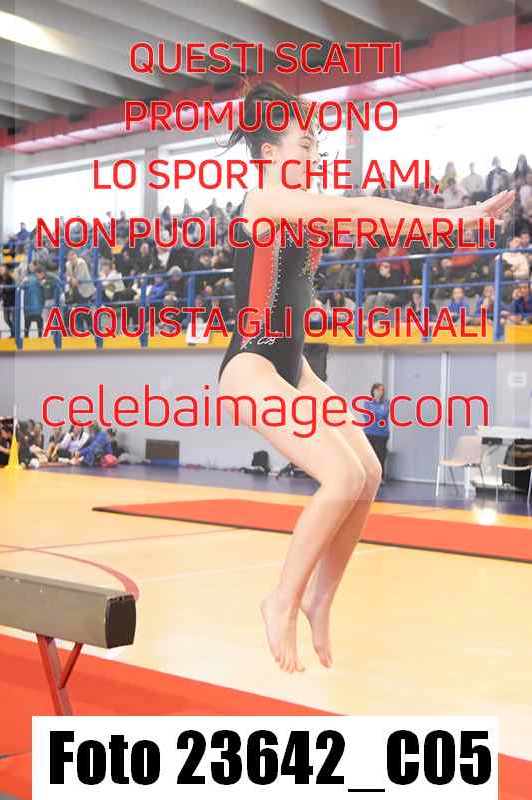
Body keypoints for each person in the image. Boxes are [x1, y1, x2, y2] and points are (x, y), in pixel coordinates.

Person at [216, 80, 515, 674]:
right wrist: (454, 220)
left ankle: (320, 600)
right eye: (304, 144)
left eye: (316, 144)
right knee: (341, 474)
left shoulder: (299, 205)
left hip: (293, 364)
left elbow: (364, 224)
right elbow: (360, 209)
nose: (314, 153)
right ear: (270, 152)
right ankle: (281, 599)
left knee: (369, 472)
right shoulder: (266, 200)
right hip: (251, 367)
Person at [361, 383, 390, 482]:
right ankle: (369, 476)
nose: (379, 392)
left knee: (381, 455)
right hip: (369, 432)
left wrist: (374, 413)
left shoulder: (386, 403)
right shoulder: (367, 403)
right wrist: (378, 414)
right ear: (373, 391)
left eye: (381, 390)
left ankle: (380, 477)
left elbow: (384, 413)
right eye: (377, 390)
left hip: (382, 433)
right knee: (369, 456)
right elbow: (367, 416)